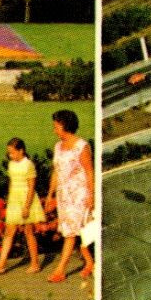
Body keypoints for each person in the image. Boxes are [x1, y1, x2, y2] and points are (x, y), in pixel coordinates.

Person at [43, 109, 94, 283]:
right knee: (76, 230)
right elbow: (56, 172)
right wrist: (50, 194)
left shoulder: (82, 146)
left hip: (79, 194)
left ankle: (60, 271)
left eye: (56, 126)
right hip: (64, 195)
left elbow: (89, 172)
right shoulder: (58, 146)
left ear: (65, 126)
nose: (54, 130)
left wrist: (91, 196)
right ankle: (89, 262)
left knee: (70, 233)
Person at [0, 137, 44, 274]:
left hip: (27, 200)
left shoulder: (28, 165)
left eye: (13, 152)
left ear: (22, 151)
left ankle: (35, 264)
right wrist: (9, 199)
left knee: (28, 231)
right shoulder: (11, 164)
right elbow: (11, 182)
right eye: (9, 153)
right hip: (15, 200)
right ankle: (1, 264)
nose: (11, 155)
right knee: (9, 232)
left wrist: (26, 206)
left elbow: (31, 187)